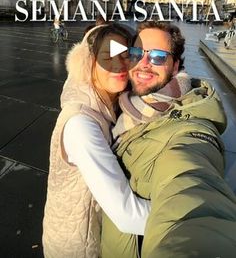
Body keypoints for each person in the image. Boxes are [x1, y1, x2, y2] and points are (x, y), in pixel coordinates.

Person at [101, 21, 236, 258]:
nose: (143, 64)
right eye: (136, 53)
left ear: (175, 67)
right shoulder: (129, 103)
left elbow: (191, 187)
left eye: (158, 57)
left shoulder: (189, 133)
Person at [42, 23, 150, 258]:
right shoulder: (81, 125)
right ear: (89, 62)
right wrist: (196, 222)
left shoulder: (107, 104)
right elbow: (128, 215)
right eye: (107, 56)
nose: (119, 64)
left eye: (126, 55)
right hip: (77, 248)